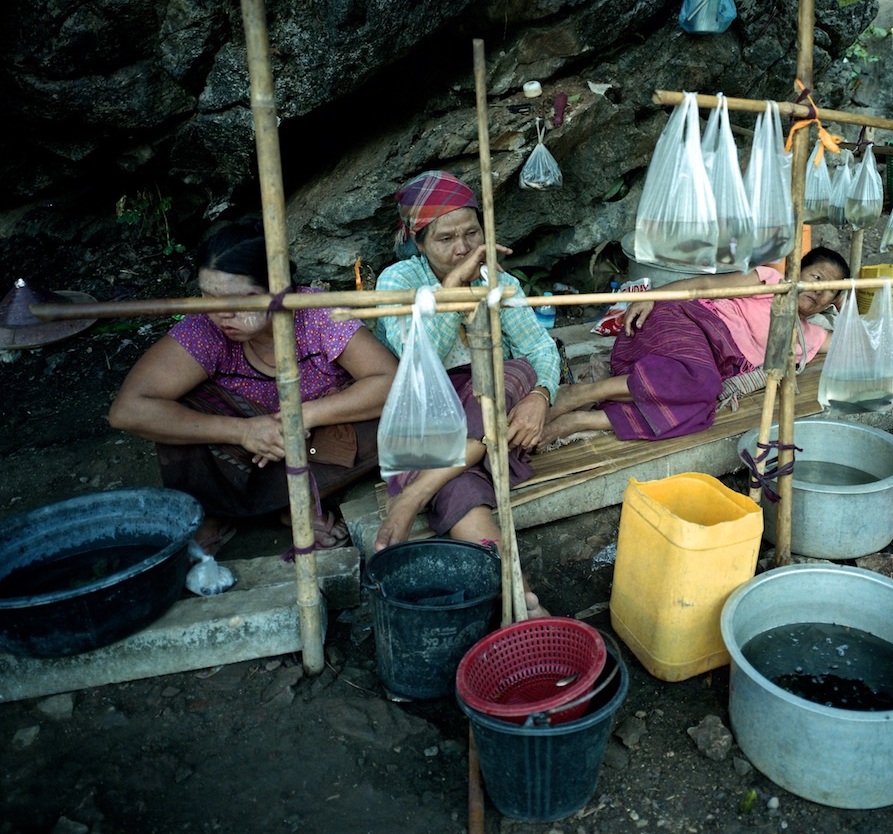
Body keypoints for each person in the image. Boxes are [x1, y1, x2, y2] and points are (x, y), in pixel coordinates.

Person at [109, 218, 397, 553]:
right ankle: (219, 513)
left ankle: (296, 504)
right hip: (242, 458)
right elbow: (127, 410)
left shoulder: (316, 314)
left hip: (318, 446)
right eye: (208, 297)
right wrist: (244, 432)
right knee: (176, 409)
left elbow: (389, 379)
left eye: (239, 300)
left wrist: (300, 416)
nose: (222, 314)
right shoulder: (205, 330)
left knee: (397, 416)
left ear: (279, 289)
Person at [374, 170, 560, 617]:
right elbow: (420, 362)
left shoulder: (498, 279)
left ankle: (415, 495)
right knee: (460, 482)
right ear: (418, 243)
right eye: (445, 238)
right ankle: (524, 596)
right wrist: (452, 287)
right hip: (428, 404)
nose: (462, 247)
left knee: (510, 370)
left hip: (487, 395)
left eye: (471, 233)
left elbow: (538, 347)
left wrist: (540, 395)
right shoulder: (395, 281)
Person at [542, 248, 849, 446]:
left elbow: (854, 343)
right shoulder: (770, 281)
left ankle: (579, 420)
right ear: (796, 272)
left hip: (697, 370)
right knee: (700, 381)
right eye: (815, 278)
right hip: (681, 321)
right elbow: (704, 287)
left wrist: (847, 301)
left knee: (701, 410)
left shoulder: (808, 336)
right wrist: (653, 297)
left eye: (829, 291)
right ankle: (583, 394)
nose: (817, 291)